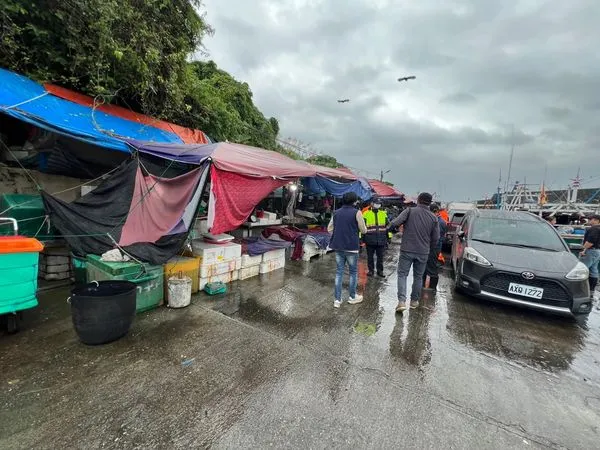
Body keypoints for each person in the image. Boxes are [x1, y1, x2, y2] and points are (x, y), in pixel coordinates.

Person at [387, 192, 440, 312]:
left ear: (419, 200)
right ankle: (414, 301)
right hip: (423, 252)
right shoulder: (434, 218)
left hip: (407, 249)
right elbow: (436, 238)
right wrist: (427, 247)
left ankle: (401, 302)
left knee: (402, 275)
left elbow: (395, 223)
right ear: (430, 203)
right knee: (418, 277)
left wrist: (390, 229)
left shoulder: (409, 211)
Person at [328, 192, 368, 308]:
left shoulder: (336, 213)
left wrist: (338, 235)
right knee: (353, 273)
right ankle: (352, 297)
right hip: (352, 247)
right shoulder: (357, 212)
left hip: (338, 246)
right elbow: (363, 230)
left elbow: (329, 229)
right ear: (354, 201)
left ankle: (337, 300)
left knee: (339, 272)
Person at [362, 197, 390, 277]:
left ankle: (380, 271)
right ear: (372, 203)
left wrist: (389, 237)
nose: (378, 205)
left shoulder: (383, 214)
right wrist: (361, 239)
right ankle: (371, 271)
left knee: (380, 257)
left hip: (381, 239)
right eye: (376, 203)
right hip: (369, 239)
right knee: (370, 257)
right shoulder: (366, 213)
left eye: (379, 203)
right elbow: (362, 227)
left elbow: (388, 226)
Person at [422, 203, 447, 292]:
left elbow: (435, 237)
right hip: (435, 247)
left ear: (435, 211)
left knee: (431, 267)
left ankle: (432, 288)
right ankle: (425, 285)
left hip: (433, 248)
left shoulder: (438, 222)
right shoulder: (441, 221)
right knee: (428, 266)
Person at [579, 214, 600, 297]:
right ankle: (591, 291)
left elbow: (590, 242)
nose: (589, 221)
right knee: (594, 271)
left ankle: (579, 290)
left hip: (591, 251)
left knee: (580, 269)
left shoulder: (594, 229)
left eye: (590, 219)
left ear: (595, 220)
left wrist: (583, 249)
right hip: (597, 251)